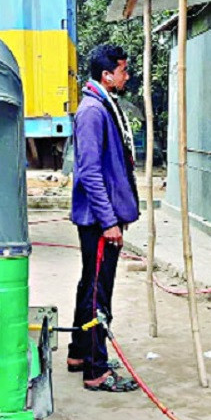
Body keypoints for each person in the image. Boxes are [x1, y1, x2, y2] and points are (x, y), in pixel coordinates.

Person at [66, 44, 141, 392]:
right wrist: (109, 221)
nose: (126, 75)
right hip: (99, 221)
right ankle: (96, 371)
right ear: (106, 75)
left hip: (102, 217)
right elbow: (90, 173)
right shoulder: (93, 111)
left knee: (89, 284)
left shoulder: (102, 105)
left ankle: (79, 353)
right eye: (123, 69)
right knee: (98, 293)